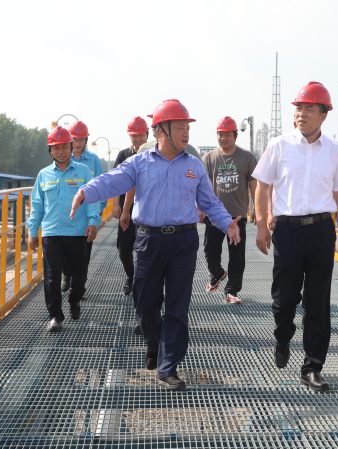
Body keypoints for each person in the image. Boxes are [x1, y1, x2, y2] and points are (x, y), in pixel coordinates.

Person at [70, 99, 242, 390]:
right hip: (149, 240)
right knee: (145, 303)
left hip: (184, 242)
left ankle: (168, 367)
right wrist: (86, 192)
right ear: (162, 131)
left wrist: (228, 223)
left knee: (177, 307)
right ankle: (156, 344)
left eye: (188, 128)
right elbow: (112, 180)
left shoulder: (195, 166)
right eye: (180, 127)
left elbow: (210, 203)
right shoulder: (140, 162)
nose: (186, 133)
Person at [253, 82, 338, 392]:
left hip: (321, 231)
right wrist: (261, 225)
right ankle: (283, 335)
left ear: (324, 115)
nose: (301, 114)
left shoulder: (335, 151)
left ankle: (312, 366)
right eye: (298, 108)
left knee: (318, 302)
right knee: (284, 299)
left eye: (309, 109)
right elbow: (262, 186)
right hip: (287, 231)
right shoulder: (279, 146)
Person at [27, 126, 102, 332]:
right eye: (56, 148)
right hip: (51, 232)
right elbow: (36, 205)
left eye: (64, 147)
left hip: (77, 232)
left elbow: (92, 198)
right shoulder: (43, 175)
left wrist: (93, 221)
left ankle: (74, 299)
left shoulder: (84, 171)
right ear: (50, 150)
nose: (61, 152)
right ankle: (55, 316)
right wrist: (33, 231)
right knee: (52, 276)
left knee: (80, 273)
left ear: (71, 147)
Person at [201, 116, 257, 304]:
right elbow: (201, 186)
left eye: (227, 135)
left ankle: (231, 290)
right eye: (220, 135)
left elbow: (254, 185)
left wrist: (256, 208)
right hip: (214, 215)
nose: (223, 138)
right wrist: (201, 207)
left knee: (236, 255)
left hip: (237, 214)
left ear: (235, 136)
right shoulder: (209, 158)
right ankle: (217, 273)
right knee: (210, 250)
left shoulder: (247, 157)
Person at [59, 120, 104, 296]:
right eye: (75, 140)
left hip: (86, 214)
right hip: (66, 213)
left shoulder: (93, 160)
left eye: (81, 139)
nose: (77, 143)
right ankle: (66, 274)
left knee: (83, 254)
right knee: (63, 249)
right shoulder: (63, 157)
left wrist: (99, 210)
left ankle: (79, 287)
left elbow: (101, 185)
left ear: (86, 140)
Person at [110, 116, 148, 296]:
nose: (138, 139)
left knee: (146, 249)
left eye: (141, 135)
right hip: (127, 210)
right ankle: (131, 277)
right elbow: (116, 181)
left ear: (147, 134)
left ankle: (143, 282)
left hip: (148, 210)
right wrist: (116, 205)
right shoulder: (124, 155)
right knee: (124, 249)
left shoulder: (154, 154)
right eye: (134, 136)